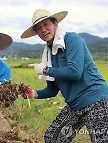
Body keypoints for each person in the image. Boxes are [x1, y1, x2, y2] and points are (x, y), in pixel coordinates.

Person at [20, 8, 108, 142]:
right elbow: (52, 89)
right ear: (36, 33)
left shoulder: (71, 39)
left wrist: (45, 70)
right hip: (75, 105)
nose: (43, 29)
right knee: (53, 137)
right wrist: (34, 94)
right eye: (38, 28)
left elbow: (75, 72)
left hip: (95, 100)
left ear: (55, 24)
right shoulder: (49, 53)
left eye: (46, 24)